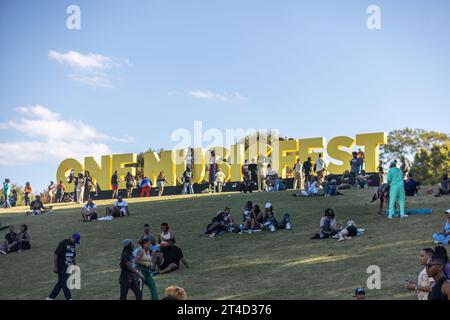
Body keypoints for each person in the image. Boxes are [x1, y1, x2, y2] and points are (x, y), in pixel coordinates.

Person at [47, 233, 81, 300]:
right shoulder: (63, 243)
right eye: (75, 240)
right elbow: (56, 254)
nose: (75, 242)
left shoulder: (73, 244)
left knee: (60, 283)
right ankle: (69, 298)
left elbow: (73, 255)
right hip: (61, 267)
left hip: (68, 267)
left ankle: (50, 297)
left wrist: (75, 266)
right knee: (65, 284)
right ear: (72, 238)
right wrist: (55, 266)